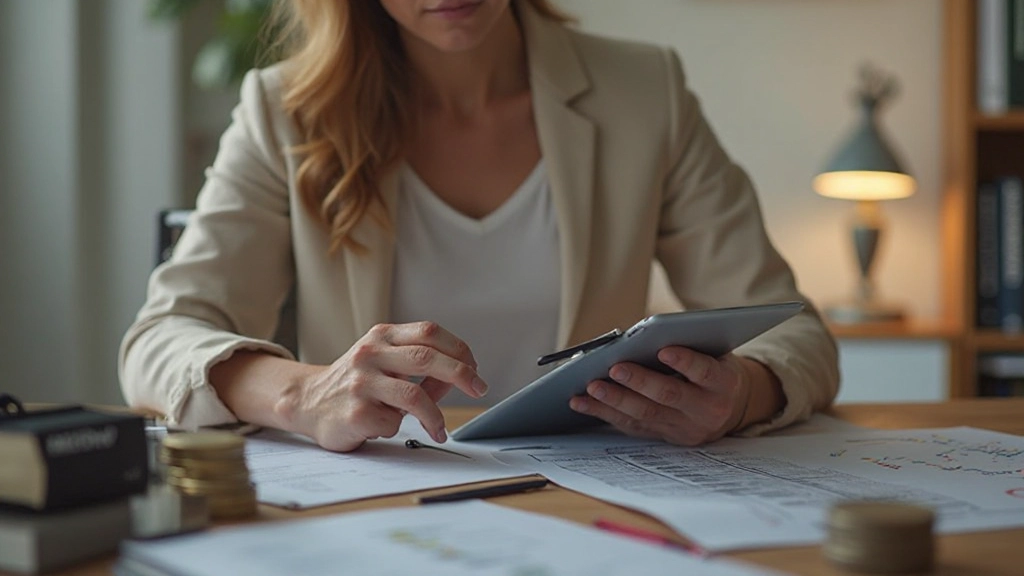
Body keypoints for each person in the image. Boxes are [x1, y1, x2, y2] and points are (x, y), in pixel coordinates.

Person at [119, 0, 839, 453]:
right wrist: (306, 394)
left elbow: (797, 335)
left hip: (598, 505)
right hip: (381, 504)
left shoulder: (645, 91)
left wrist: (737, 393)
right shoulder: (285, 111)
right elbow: (158, 342)